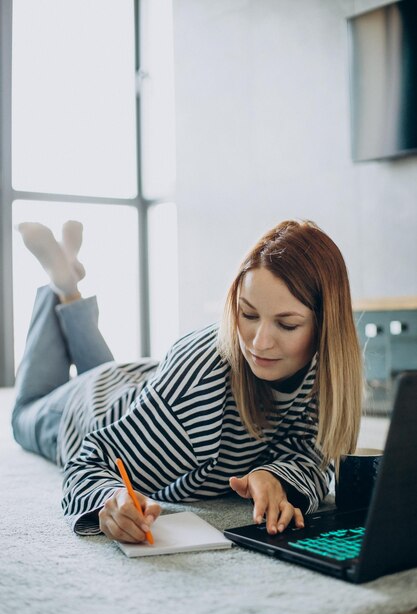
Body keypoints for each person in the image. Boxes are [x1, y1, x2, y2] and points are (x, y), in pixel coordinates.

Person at [12, 219, 363, 544]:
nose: (259, 343)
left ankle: (68, 283)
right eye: (248, 315)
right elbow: (91, 459)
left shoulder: (323, 374)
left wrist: (274, 476)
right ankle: (58, 285)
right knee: (22, 413)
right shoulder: (197, 394)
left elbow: (312, 459)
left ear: (325, 327)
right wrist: (111, 499)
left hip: (141, 384)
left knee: (107, 370)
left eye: (286, 325)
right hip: (85, 409)